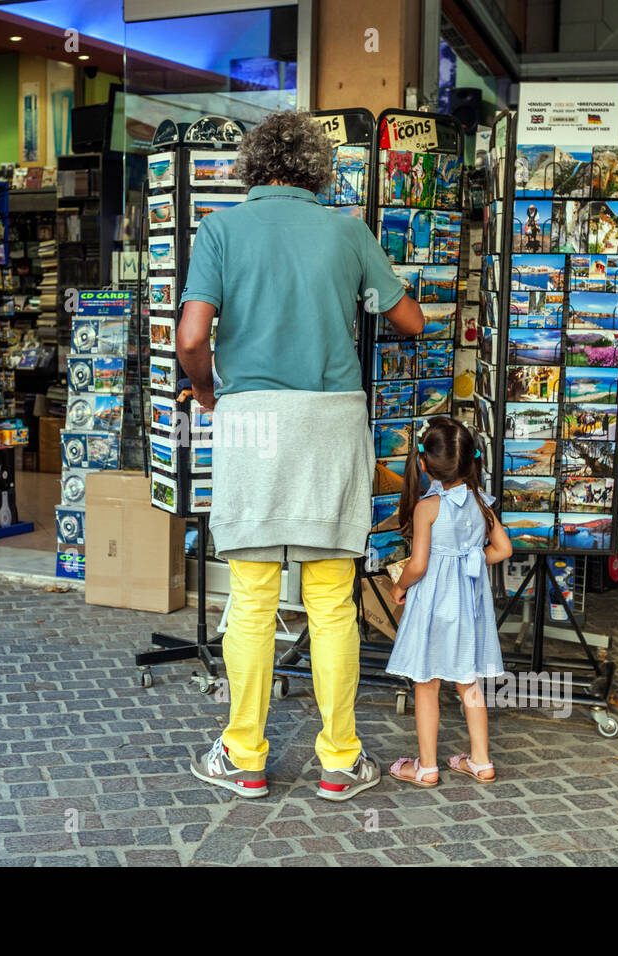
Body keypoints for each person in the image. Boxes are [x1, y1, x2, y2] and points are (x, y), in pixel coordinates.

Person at [178, 111, 424, 801]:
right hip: (331, 421)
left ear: (253, 166)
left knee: (252, 598)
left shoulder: (222, 229)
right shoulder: (346, 230)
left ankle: (245, 756)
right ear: (318, 169)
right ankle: (341, 761)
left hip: (252, 418)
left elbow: (192, 336)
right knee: (331, 600)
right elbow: (411, 320)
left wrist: (206, 392)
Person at [384, 418, 513, 787]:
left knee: (427, 682)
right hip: (469, 606)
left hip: (434, 607)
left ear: (423, 463)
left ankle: (426, 767)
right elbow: (503, 549)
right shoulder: (479, 501)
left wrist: (398, 588)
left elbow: (419, 564)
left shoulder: (428, 507)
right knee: (468, 681)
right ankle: (481, 761)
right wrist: (470, 557)